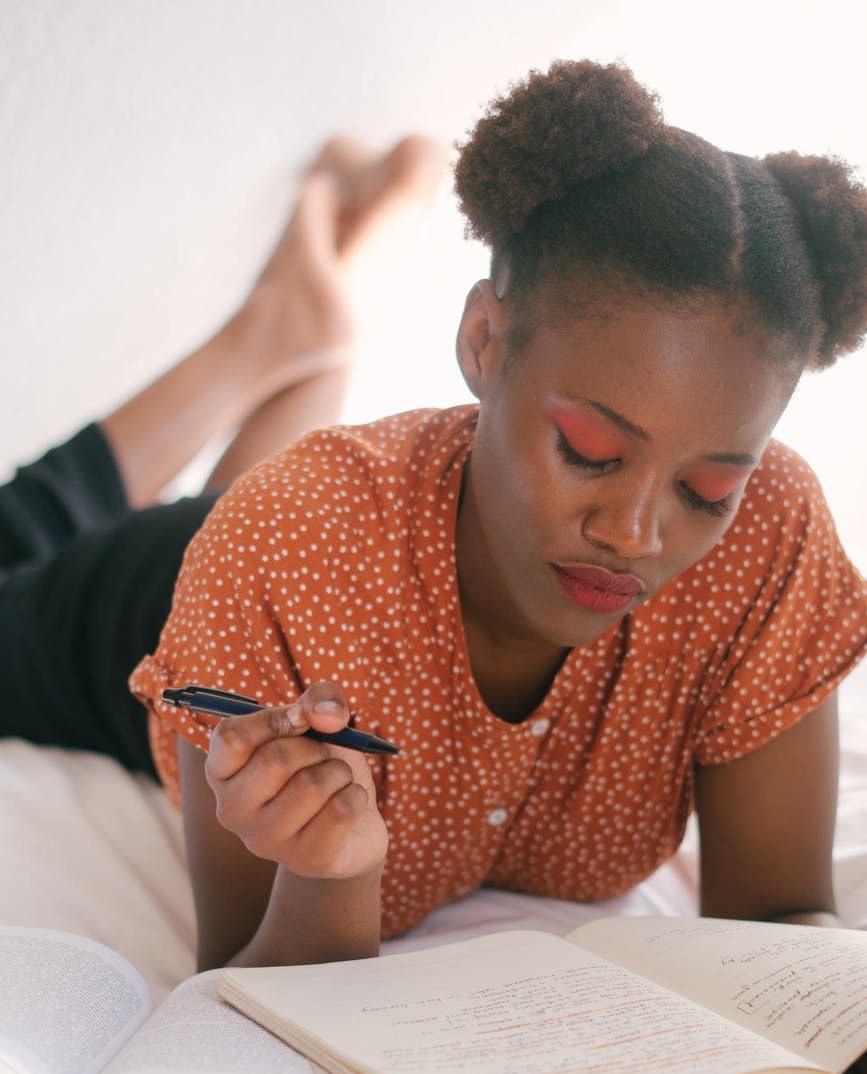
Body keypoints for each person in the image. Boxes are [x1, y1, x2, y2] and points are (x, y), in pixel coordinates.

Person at [62, 61, 867, 971]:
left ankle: (302, 324)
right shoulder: (282, 547)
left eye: (703, 492)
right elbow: (243, 991)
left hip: (295, 520)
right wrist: (328, 880)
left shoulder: (768, 537)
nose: (634, 534)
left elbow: (778, 927)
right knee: (30, 533)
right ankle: (268, 336)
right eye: (589, 453)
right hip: (143, 595)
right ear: (483, 341)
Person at [0, 135, 447, 775]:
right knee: (201, 542)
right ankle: (289, 307)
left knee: (66, 540)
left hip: (231, 602)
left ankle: (304, 300)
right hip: (229, 606)